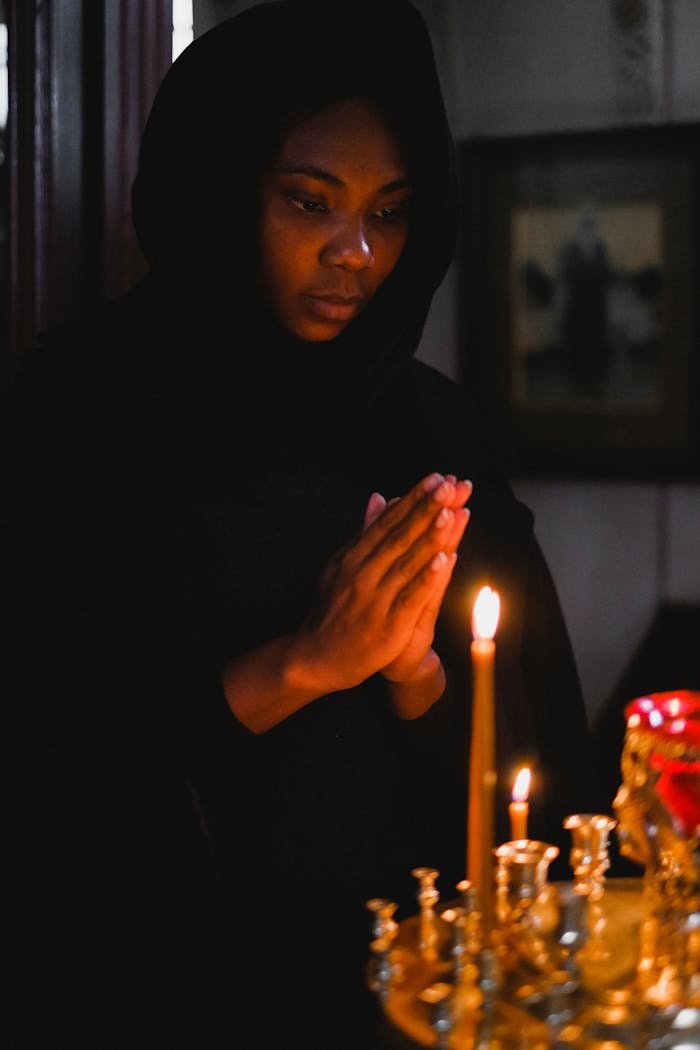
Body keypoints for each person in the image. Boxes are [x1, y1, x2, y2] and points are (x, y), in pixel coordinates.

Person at [6, 1, 594, 1046]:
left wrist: (412, 670)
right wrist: (305, 663)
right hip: (158, 995)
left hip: (404, 1002)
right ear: (219, 191)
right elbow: (55, 772)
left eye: (392, 211)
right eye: (308, 203)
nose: (357, 252)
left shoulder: (430, 424)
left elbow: (523, 770)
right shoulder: (77, 415)